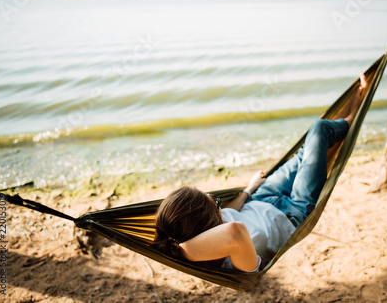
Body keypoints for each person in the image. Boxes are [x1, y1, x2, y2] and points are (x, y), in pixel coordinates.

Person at [152, 74, 370, 272]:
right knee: (320, 129)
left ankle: (347, 119)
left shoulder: (212, 223)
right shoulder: (236, 260)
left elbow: (230, 212)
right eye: (215, 203)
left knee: (308, 147)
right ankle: (353, 114)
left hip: (263, 195)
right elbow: (235, 231)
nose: (218, 203)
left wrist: (249, 188)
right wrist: (180, 250)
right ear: (208, 227)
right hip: (293, 211)